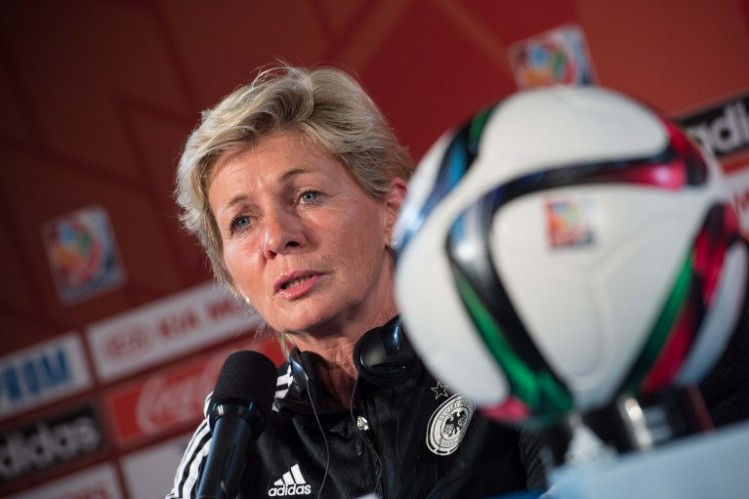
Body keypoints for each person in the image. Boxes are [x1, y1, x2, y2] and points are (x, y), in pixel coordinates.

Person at [166, 64, 532, 498]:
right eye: (242, 221)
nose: (277, 237)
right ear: (232, 276)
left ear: (392, 211)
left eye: (307, 195)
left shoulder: (509, 347)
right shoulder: (234, 441)